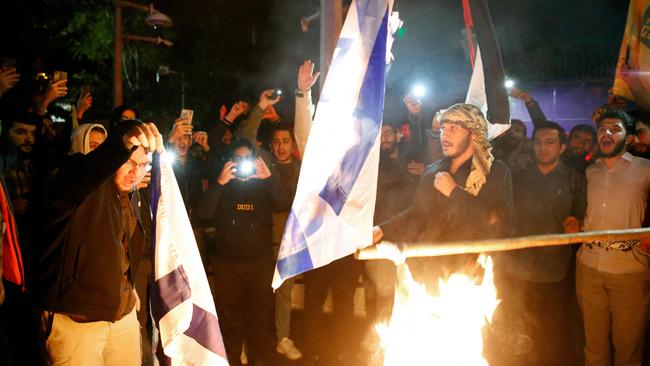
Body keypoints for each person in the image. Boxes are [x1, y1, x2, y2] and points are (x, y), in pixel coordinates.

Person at [35, 120, 163, 365]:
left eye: (143, 166)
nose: (135, 173)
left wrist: (129, 288)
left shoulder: (128, 195)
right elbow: (87, 170)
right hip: (78, 318)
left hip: (121, 314)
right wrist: (123, 143)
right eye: (129, 162)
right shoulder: (74, 180)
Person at [494, 121, 586, 366]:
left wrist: (577, 225)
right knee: (514, 328)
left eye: (549, 142)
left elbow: (580, 217)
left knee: (550, 330)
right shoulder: (518, 176)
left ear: (562, 147)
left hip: (553, 269)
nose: (542, 147)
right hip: (515, 269)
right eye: (538, 142)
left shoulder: (574, 180)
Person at [198, 139, 293, 366]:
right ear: (231, 162)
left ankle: (257, 359)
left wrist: (268, 178)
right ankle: (231, 360)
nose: (242, 166)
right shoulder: (223, 184)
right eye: (238, 160)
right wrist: (220, 183)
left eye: (246, 160)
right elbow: (204, 211)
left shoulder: (263, 182)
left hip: (258, 263)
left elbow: (283, 203)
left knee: (258, 320)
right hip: (227, 264)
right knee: (230, 322)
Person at [576, 108, 650, 366]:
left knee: (628, 350)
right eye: (602, 129)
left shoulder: (645, 169)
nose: (606, 133)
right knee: (594, 347)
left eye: (615, 129)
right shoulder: (589, 172)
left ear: (628, 138)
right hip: (588, 267)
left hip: (630, 269)